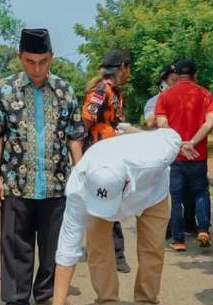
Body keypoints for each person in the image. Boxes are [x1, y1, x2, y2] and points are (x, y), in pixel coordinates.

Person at [0, 28, 85, 305]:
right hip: (16, 182)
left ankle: (48, 292)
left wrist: (79, 175)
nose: (37, 68)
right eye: (30, 62)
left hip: (56, 183)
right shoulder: (5, 90)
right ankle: (16, 297)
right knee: (15, 241)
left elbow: (74, 136)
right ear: (20, 58)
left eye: (43, 61)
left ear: (51, 57)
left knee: (54, 242)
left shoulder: (64, 90)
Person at [45, 129, 181, 305]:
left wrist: (140, 133)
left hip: (152, 196)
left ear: (127, 184)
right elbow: (67, 248)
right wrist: (58, 304)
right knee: (97, 247)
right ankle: (106, 304)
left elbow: (172, 136)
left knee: (152, 248)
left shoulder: (156, 156)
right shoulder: (78, 188)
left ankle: (148, 304)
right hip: (109, 182)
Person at [155, 58, 213, 250]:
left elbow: (161, 124)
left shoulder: (165, 96)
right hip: (197, 156)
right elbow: (210, 122)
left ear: (177, 74)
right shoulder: (205, 94)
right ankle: (203, 229)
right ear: (195, 74)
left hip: (175, 157)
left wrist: (179, 144)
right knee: (201, 192)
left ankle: (178, 239)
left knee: (176, 197)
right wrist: (192, 143)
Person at [82, 48, 134, 274]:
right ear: (122, 66)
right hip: (98, 155)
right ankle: (114, 254)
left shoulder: (116, 92)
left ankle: (111, 252)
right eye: (129, 67)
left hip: (112, 154)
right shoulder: (100, 90)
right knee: (105, 202)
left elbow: (117, 125)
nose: (130, 73)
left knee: (111, 202)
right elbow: (84, 122)